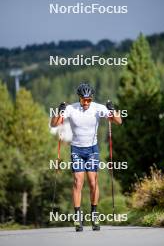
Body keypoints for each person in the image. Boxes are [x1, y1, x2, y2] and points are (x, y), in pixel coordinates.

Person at [50, 83, 122, 231]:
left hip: (92, 150)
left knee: (93, 182)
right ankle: (78, 217)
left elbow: (118, 121)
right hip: (76, 149)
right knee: (78, 182)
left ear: (92, 98)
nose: (87, 102)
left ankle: (94, 215)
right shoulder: (71, 108)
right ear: (79, 98)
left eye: (89, 100)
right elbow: (54, 124)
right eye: (84, 100)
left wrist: (112, 110)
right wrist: (59, 111)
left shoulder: (98, 108)